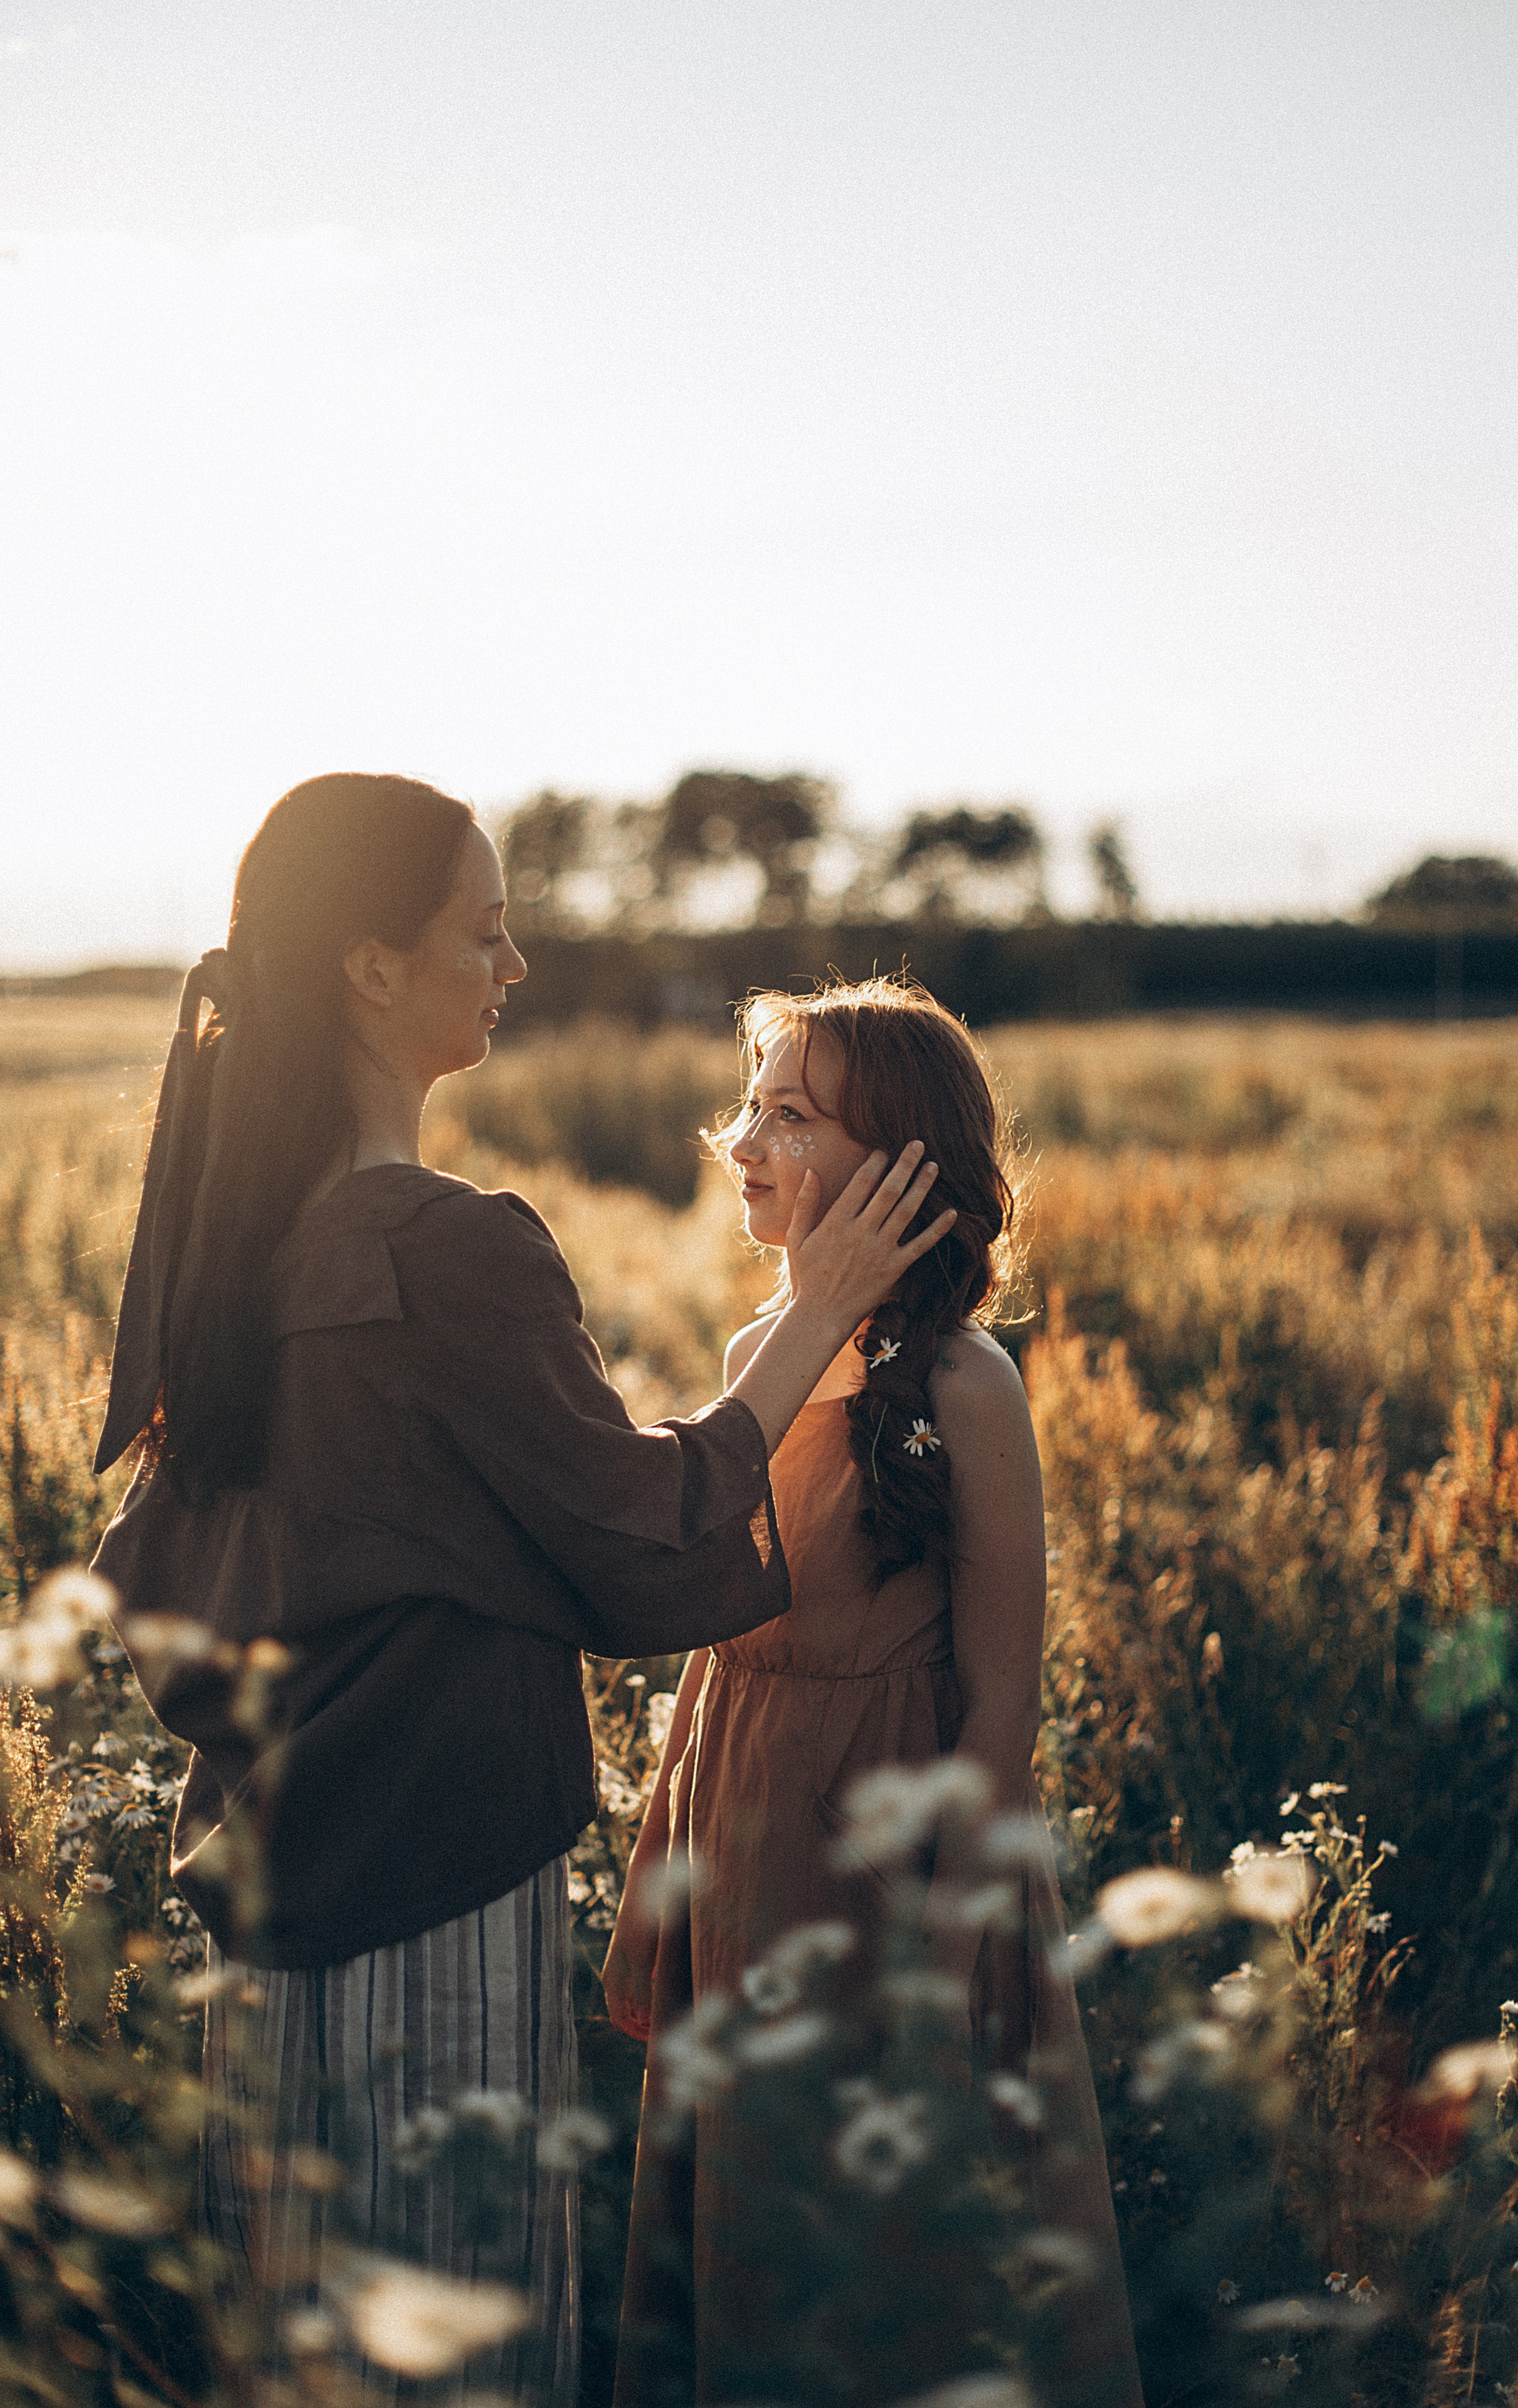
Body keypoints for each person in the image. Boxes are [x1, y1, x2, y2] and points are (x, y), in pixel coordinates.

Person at [89, 777, 954, 2402]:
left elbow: (179, 1579)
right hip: (429, 1888)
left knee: (299, 2356)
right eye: (481, 931)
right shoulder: (448, 1249)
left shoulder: (240, 1248)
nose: (512, 964)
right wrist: (815, 1320)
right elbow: (638, 1537)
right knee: (458, 2345)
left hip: (275, 1912)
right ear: (366, 970)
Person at [604, 977, 1141, 2408]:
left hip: (885, 1854)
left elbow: (1000, 1711)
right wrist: (664, 1865)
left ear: (904, 1160)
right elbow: (717, 1641)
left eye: (790, 1113)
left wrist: (948, 1958)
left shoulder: (968, 1388)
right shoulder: (750, 1363)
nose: (744, 1138)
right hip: (742, 1823)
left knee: (891, 2234)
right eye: (748, 1105)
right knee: (754, 2207)